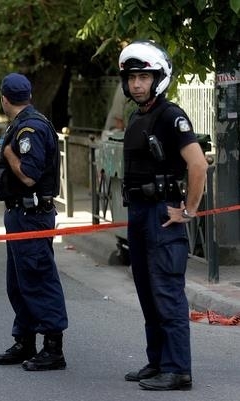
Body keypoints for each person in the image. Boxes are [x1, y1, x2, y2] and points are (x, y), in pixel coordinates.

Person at [119, 41, 208, 390]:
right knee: (146, 291)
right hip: (140, 214)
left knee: (167, 292)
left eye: (144, 77)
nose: (137, 84)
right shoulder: (138, 117)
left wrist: (188, 211)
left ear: (158, 78)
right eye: (132, 78)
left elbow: (198, 165)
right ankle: (157, 362)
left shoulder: (172, 115)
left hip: (162, 214)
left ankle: (178, 370)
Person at [0, 73, 68, 371]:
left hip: (31, 215)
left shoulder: (30, 129)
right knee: (19, 282)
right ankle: (24, 341)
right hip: (21, 214)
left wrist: (9, 153)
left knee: (38, 280)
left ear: (4, 99)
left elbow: (28, 175)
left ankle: (52, 348)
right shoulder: (23, 123)